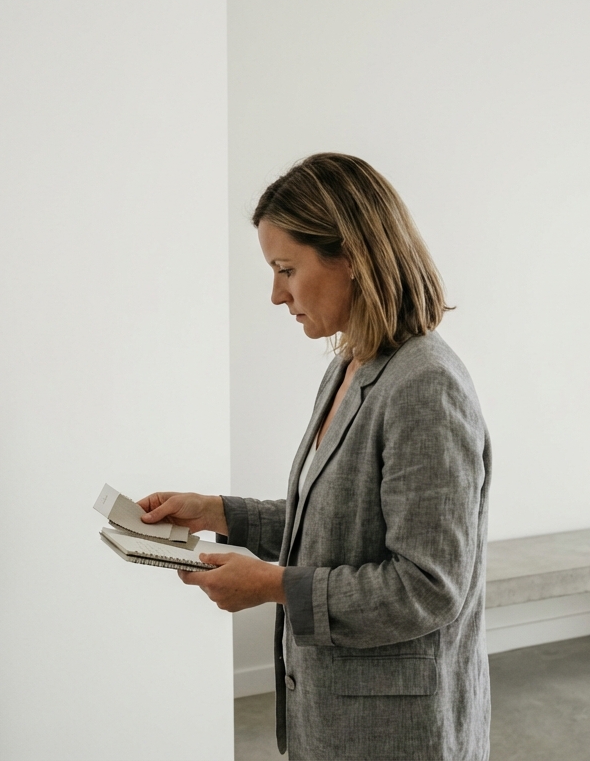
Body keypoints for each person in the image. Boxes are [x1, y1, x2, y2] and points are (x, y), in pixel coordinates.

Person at [137, 153, 491, 761]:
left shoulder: (424, 387)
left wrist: (275, 586)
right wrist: (217, 511)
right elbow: (336, 525)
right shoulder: (350, 365)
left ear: (351, 256)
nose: (276, 295)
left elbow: (429, 587)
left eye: (286, 269)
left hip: (399, 737)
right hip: (335, 721)